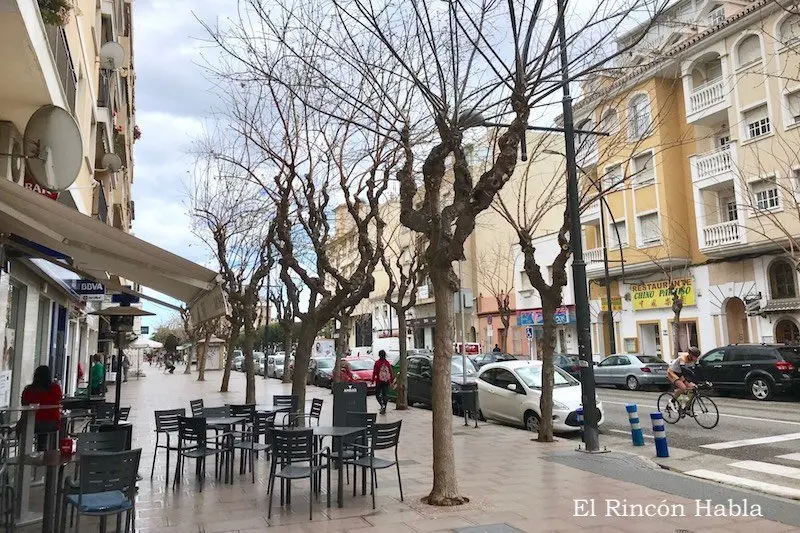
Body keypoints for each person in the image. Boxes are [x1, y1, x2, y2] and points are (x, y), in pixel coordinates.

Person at [21, 365, 63, 450]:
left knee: (28, 427)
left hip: (32, 423)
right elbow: (59, 399)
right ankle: (44, 451)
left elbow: (24, 404)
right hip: (52, 423)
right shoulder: (55, 388)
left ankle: (24, 452)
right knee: (44, 429)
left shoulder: (29, 390)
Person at [372, 350, 395, 415]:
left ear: (379, 355)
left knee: (377, 394)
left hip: (379, 381)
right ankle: (384, 407)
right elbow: (391, 372)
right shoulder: (387, 363)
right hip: (386, 381)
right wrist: (392, 381)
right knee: (385, 394)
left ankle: (382, 405)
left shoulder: (377, 363)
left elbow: (375, 372)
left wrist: (373, 380)